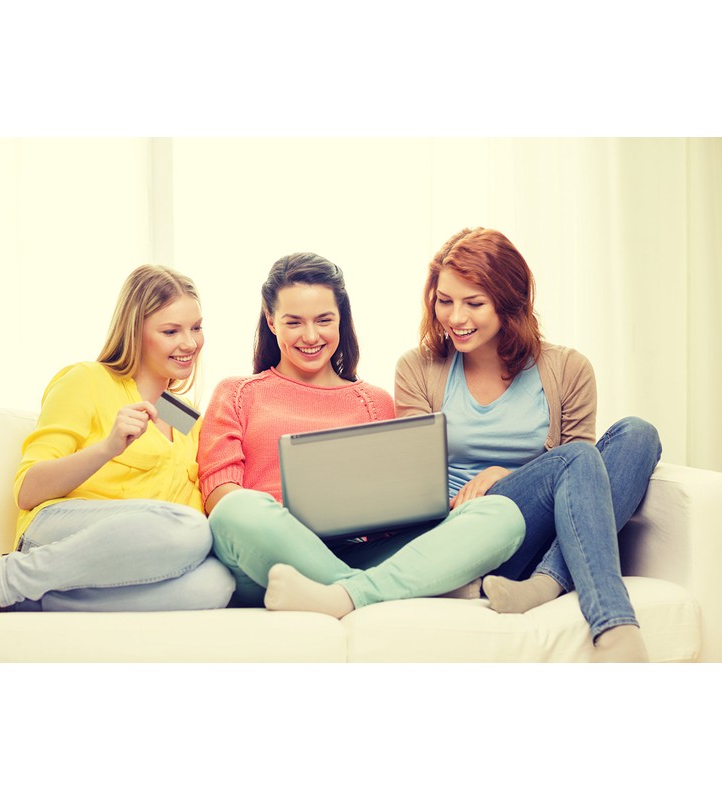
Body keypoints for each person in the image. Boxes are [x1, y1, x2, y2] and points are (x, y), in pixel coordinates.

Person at [198, 252, 524, 618]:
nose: (311, 336)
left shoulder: (375, 402)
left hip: (360, 551)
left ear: (341, 319)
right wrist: (288, 522)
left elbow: (399, 504)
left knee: (502, 514)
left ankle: (344, 595)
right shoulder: (237, 393)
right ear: (271, 320)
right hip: (271, 556)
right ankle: (389, 588)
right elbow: (219, 494)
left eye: (324, 320)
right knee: (236, 510)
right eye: (294, 322)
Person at [395, 227, 662, 662]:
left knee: (639, 433)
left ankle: (547, 582)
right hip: (467, 532)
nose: (456, 317)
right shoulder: (418, 368)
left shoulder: (567, 369)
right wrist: (489, 492)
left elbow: (586, 483)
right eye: (444, 301)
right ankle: (611, 621)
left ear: (510, 300)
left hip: (542, 534)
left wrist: (507, 476)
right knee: (577, 458)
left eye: (474, 303)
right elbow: (413, 485)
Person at [0, 265, 235, 615]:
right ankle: (7, 577)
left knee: (216, 583)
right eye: (171, 331)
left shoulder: (188, 418)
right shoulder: (87, 380)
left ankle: (29, 599)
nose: (189, 343)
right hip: (58, 531)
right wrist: (107, 448)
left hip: (128, 552)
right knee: (187, 526)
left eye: (196, 328)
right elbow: (27, 490)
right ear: (135, 331)